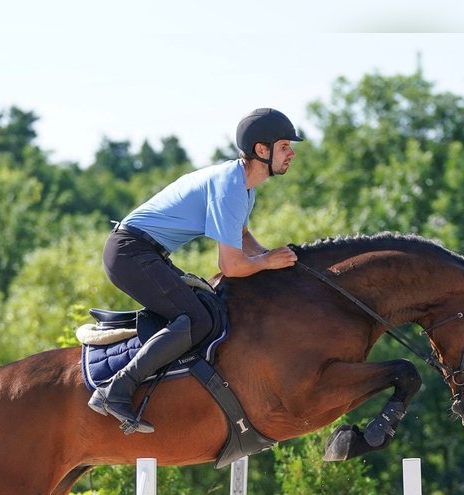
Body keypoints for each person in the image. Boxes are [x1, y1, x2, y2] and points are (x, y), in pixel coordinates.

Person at [89, 107, 304, 433]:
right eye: (285, 146)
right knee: (198, 319)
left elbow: (244, 239)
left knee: (207, 309)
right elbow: (231, 266)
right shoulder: (230, 186)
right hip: (129, 252)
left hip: (143, 252)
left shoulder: (243, 188)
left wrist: (278, 262)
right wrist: (267, 262)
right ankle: (117, 388)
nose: (291, 153)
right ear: (262, 150)